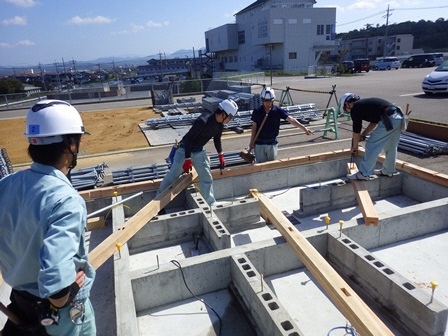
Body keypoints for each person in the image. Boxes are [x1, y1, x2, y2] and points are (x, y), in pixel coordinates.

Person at [0, 100, 96, 335]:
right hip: (61, 316)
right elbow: (56, 282)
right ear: (70, 145)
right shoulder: (67, 201)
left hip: (21, 302)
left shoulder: (7, 185)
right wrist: (68, 292)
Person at [157, 98, 238, 206]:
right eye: (230, 117)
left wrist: (220, 155)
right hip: (184, 149)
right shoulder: (203, 121)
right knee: (172, 176)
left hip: (199, 151)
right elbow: (189, 139)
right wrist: (187, 159)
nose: (230, 120)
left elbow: (217, 139)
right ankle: (158, 200)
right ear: (224, 114)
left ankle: (210, 202)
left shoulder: (220, 125)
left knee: (206, 177)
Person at [341, 93, 403, 180]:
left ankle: (364, 173)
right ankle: (388, 170)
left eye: (345, 108)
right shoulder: (364, 105)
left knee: (371, 144)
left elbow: (356, 131)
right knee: (390, 146)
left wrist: (354, 147)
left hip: (389, 119)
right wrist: (363, 135)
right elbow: (373, 122)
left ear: (347, 104)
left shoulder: (355, 109)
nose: (347, 110)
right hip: (398, 117)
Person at [248, 87, 313, 163]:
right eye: (265, 101)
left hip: (271, 143)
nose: (267, 103)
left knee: (272, 166)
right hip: (259, 143)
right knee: (260, 167)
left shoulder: (277, 111)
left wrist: (304, 128)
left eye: (269, 101)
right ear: (262, 100)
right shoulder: (257, 111)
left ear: (273, 100)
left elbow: (290, 119)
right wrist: (251, 141)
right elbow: (254, 127)